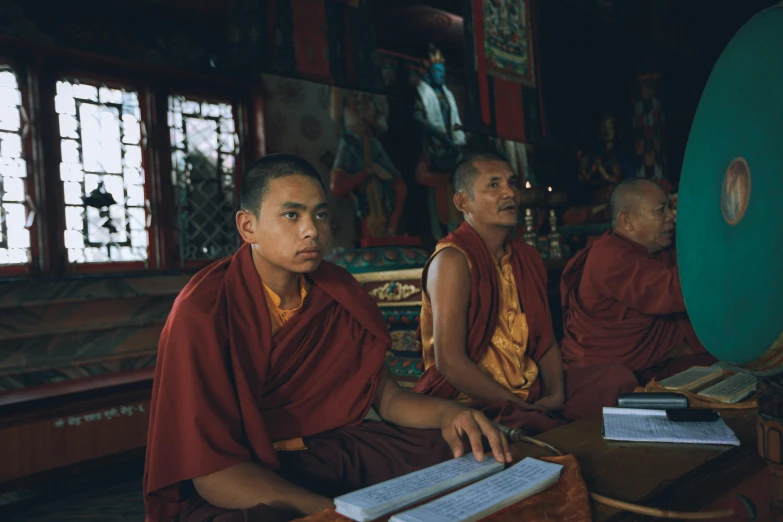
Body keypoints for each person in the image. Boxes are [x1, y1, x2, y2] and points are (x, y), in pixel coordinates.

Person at [143, 154, 510, 522]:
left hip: (325, 450)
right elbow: (210, 471)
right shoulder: (203, 310)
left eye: (319, 214)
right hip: (240, 469)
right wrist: (330, 512)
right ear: (248, 226)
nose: (311, 230)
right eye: (291, 215)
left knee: (458, 449)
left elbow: (390, 399)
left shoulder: (337, 290)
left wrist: (453, 412)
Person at [413, 153, 636, 426]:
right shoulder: (453, 260)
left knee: (617, 379)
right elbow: (450, 362)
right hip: (472, 399)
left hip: (528, 389)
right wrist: (519, 406)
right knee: (530, 424)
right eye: (494, 185)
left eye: (512, 183)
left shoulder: (525, 257)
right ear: (462, 202)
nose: (510, 193)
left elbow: (545, 342)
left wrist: (555, 395)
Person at [560, 178, 716, 387]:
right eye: (661, 210)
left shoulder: (654, 250)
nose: (672, 216)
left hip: (655, 362)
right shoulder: (609, 256)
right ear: (627, 221)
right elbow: (673, 292)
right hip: (606, 373)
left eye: (670, 207)